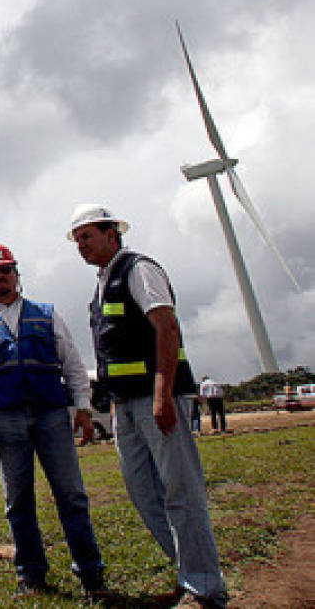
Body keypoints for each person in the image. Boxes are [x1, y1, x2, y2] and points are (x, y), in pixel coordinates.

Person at [69, 203, 228, 608]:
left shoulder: (138, 270)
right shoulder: (102, 284)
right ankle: (187, 574)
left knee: (180, 491)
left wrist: (162, 392)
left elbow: (167, 327)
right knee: (145, 493)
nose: (82, 245)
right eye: (78, 239)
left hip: (157, 400)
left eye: (88, 235)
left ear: (112, 234)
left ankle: (205, 589)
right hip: (126, 405)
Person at [0, 242, 110, 600]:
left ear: (16, 274)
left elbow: (72, 363)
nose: (1, 278)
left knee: (71, 496)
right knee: (18, 501)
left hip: (51, 415)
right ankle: (30, 574)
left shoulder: (46, 314)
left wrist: (84, 408)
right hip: (7, 420)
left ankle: (91, 575)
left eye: (6, 271)